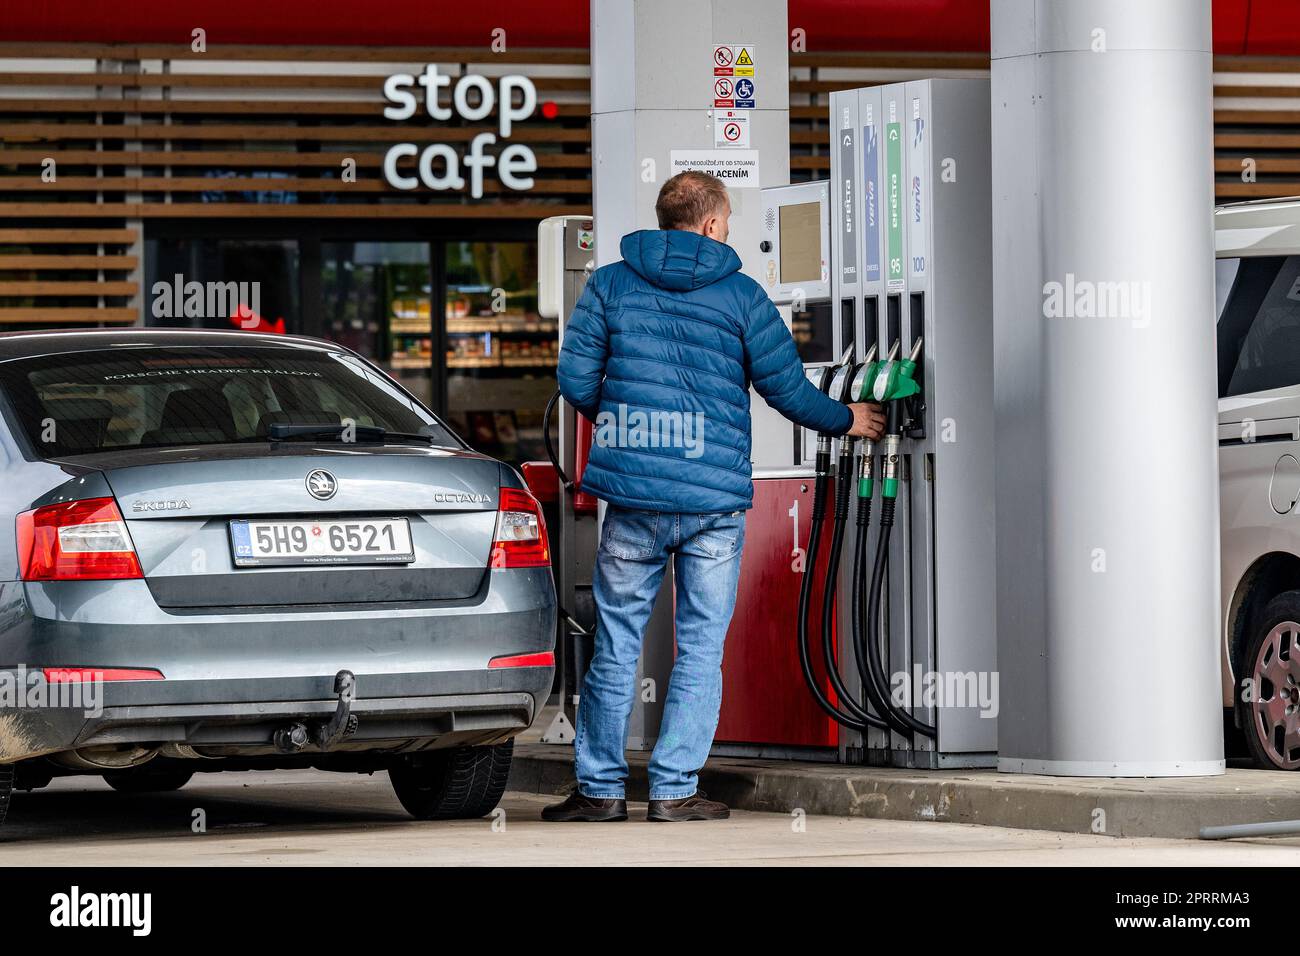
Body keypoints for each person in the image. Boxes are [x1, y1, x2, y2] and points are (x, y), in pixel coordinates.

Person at [543, 170, 885, 823]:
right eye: (726, 220)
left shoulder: (610, 285)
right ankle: (673, 791)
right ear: (710, 224)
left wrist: (627, 423)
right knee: (700, 645)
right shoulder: (742, 296)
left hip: (634, 498)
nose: (727, 230)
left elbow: (575, 379)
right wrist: (849, 419)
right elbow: (786, 390)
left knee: (616, 639)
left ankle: (601, 791)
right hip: (713, 504)